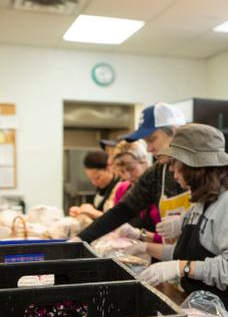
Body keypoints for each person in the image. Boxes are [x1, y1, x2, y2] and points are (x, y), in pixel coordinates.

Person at [133, 124, 228, 317]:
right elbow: (186, 255)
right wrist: (145, 247)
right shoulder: (201, 202)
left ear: (194, 166)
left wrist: (180, 268)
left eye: (175, 163)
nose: (171, 170)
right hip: (207, 315)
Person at [73, 102, 190, 243]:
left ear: (175, 132)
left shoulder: (204, 171)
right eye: (146, 142)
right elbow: (122, 211)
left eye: (152, 140)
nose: (149, 149)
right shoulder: (158, 173)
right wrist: (79, 239)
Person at [109, 140, 163, 244]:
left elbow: (173, 242)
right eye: (121, 171)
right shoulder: (122, 189)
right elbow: (114, 224)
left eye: (131, 169)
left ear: (145, 162)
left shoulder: (162, 191)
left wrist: (140, 234)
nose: (127, 176)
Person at [69, 150, 119, 219]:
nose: (94, 183)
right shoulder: (101, 188)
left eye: (97, 178)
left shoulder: (119, 187)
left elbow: (117, 219)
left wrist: (93, 212)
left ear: (109, 169)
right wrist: (81, 211)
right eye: (91, 179)